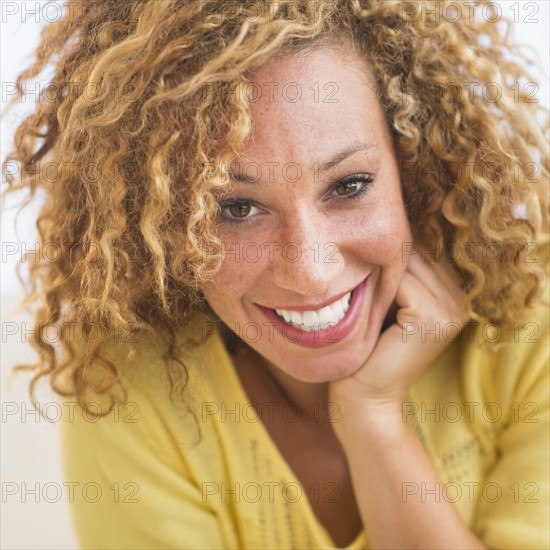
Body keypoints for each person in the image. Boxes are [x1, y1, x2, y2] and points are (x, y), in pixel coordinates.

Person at [3, 0, 548, 548]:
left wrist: (374, 421)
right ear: (165, 222)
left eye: (349, 185)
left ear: (414, 165)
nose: (310, 273)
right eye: (236, 209)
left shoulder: (532, 331)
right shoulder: (127, 384)